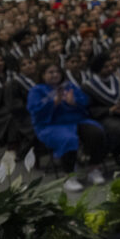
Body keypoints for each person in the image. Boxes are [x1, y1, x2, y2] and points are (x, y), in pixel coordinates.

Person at [27, 62, 107, 191]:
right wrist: (53, 103)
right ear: (42, 75)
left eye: (57, 72)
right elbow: (35, 111)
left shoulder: (69, 86)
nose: (55, 75)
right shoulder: (36, 90)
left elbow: (85, 101)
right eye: (50, 72)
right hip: (51, 125)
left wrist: (74, 102)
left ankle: (94, 168)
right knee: (68, 139)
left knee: (96, 132)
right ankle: (69, 176)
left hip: (75, 121)